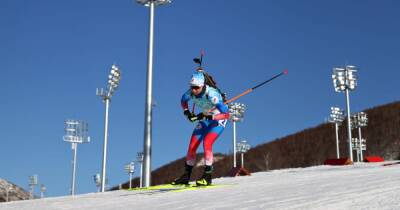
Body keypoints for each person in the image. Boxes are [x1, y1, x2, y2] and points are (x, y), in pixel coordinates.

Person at [172, 72, 230, 186]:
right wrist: (187, 112)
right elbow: (183, 101)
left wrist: (210, 116)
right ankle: (186, 176)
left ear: (202, 86)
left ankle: (207, 176)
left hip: (218, 119)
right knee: (192, 145)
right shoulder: (191, 93)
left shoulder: (212, 95)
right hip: (206, 117)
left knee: (207, 142)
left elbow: (226, 115)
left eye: (196, 88)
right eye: (191, 87)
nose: (193, 90)